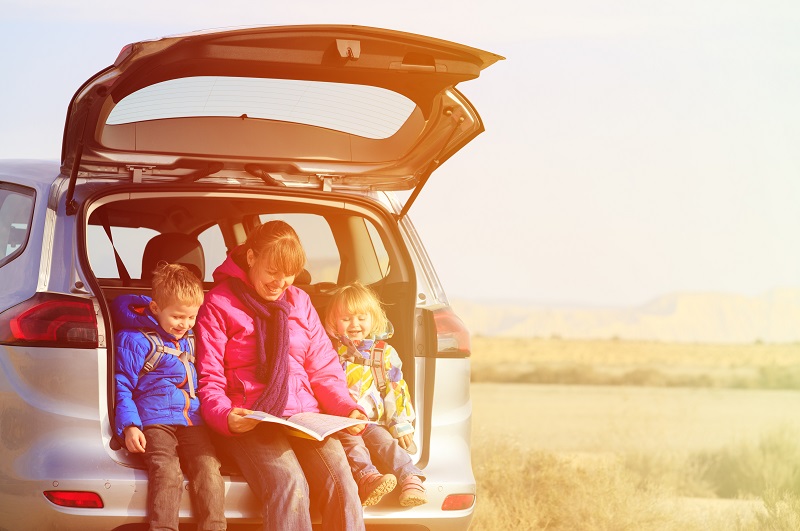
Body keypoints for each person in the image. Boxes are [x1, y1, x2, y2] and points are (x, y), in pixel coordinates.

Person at [194, 220, 368, 531]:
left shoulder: (300, 301)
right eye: (273, 271)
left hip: (304, 419)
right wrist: (226, 416)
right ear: (251, 258)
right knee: (291, 484)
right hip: (252, 420)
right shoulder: (218, 303)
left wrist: (346, 408)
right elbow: (208, 379)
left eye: (289, 274)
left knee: (343, 484)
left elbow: (324, 369)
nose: (281, 282)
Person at [113, 262, 226, 531]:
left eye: (190, 318)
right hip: (154, 420)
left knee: (209, 469)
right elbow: (122, 385)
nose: (184, 324)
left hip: (191, 420)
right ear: (155, 308)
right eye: (177, 317)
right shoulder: (136, 340)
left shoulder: (192, 339)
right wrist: (130, 425)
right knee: (167, 471)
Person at [324, 281, 428, 507]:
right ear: (333, 321)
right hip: (342, 421)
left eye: (362, 317)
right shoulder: (329, 351)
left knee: (386, 442)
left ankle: (411, 479)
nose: (355, 324)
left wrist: (400, 424)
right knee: (353, 445)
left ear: (373, 319)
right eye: (346, 318)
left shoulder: (384, 353)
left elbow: (395, 388)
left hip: (374, 421)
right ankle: (369, 479)